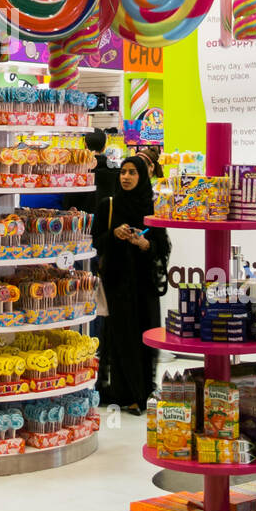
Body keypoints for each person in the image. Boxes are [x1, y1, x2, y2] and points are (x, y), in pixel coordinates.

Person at [90, 155, 169, 414]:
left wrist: (146, 245)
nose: (125, 177)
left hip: (144, 284)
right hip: (117, 283)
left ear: (143, 176)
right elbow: (95, 242)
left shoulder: (152, 207)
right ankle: (124, 393)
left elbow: (162, 245)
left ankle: (143, 393)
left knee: (145, 337)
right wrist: (114, 234)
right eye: (123, 172)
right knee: (121, 338)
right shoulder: (108, 205)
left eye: (132, 172)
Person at [65, 129, 117, 214]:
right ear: (104, 147)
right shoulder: (115, 169)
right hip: (107, 220)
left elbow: (69, 202)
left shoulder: (77, 170)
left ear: (85, 145)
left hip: (82, 222)